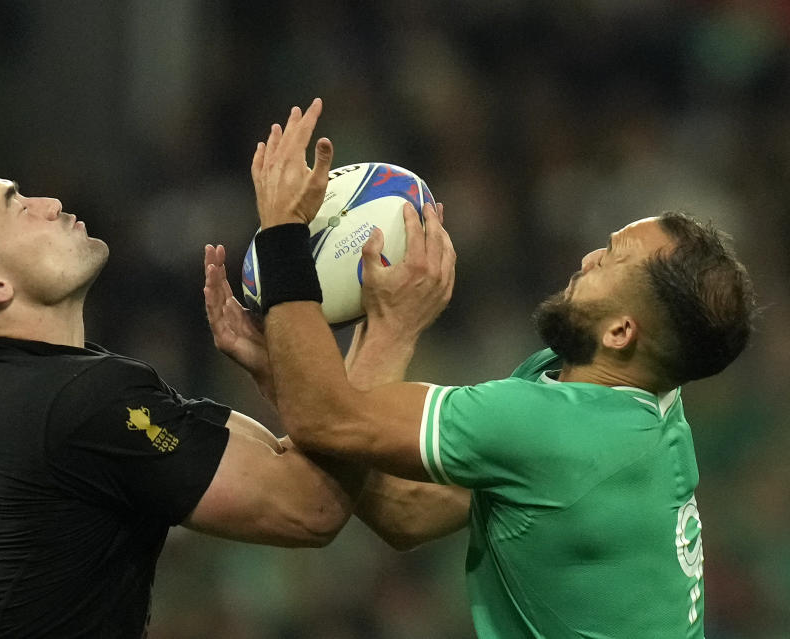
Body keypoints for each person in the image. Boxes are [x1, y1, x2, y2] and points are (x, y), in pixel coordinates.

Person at [226, 98, 757, 638]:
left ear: (621, 333)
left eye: (612, 259)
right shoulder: (634, 393)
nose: (589, 258)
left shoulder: (557, 429)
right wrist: (286, 377)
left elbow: (326, 417)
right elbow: (409, 513)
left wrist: (284, 232)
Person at [0, 158, 388, 639]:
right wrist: (386, 319)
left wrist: (274, 373)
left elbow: (288, 461)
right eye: (18, 206)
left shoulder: (39, 395)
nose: (49, 204)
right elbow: (312, 506)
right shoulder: (74, 402)